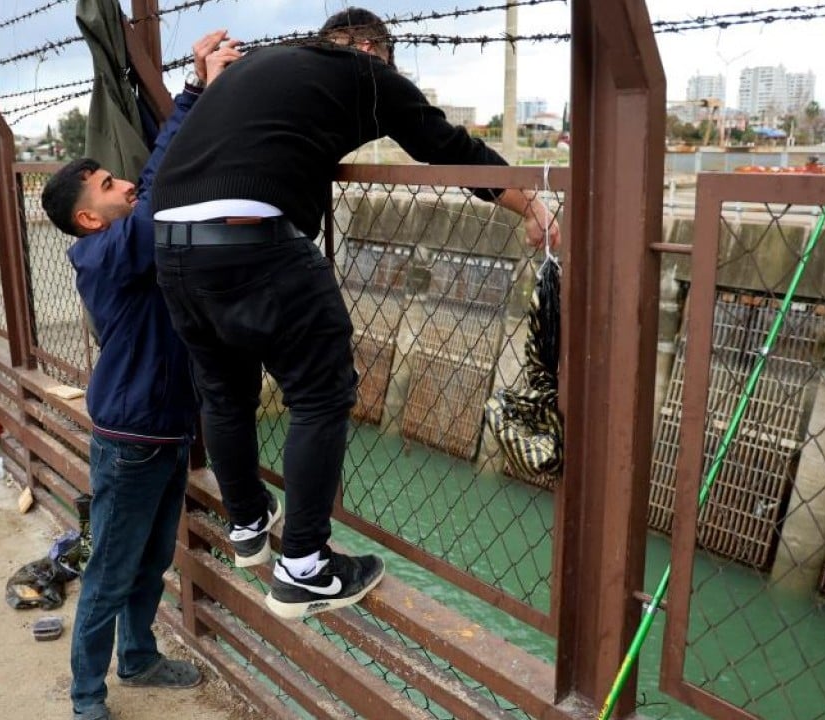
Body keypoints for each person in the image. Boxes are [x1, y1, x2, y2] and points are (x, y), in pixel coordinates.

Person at [151, 8, 560, 619]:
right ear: (373, 49)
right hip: (253, 240)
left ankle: (248, 524)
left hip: (171, 245)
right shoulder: (366, 72)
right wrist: (533, 208)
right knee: (321, 393)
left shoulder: (260, 66)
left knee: (224, 390)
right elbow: (449, 148)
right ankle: (305, 569)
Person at [39, 30, 241, 720]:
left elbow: (176, 205)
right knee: (109, 571)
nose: (124, 181)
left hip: (161, 434)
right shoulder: (106, 253)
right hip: (131, 442)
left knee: (150, 559)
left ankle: (139, 657)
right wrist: (193, 93)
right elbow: (160, 189)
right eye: (108, 184)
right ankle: (88, 693)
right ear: (89, 216)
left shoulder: (130, 247)